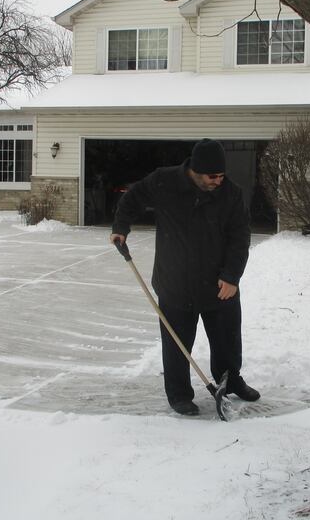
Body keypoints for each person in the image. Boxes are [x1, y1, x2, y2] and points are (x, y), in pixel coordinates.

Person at [110, 138, 260, 416]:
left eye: (222, 175)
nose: (218, 180)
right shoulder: (164, 182)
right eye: (212, 176)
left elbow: (240, 237)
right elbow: (132, 198)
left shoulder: (231, 194)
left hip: (219, 284)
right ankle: (179, 394)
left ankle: (231, 381)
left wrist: (232, 276)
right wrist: (121, 226)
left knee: (227, 339)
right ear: (196, 170)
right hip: (175, 282)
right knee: (176, 343)